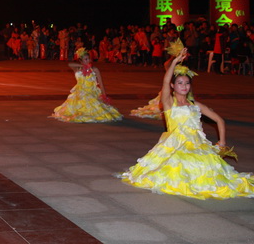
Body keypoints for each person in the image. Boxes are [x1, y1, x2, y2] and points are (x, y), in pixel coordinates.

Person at [118, 49, 254, 199]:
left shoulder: (196, 104)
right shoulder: (170, 103)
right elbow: (164, 81)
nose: (184, 86)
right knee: (179, 168)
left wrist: (222, 141)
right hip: (176, 144)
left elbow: (219, 120)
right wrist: (175, 62)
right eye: (180, 83)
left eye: (187, 83)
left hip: (198, 144)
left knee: (209, 170)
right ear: (172, 85)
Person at [51, 47, 122, 123]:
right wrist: (82, 66)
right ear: (81, 61)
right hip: (80, 92)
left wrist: (104, 96)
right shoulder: (78, 69)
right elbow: (70, 64)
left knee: (94, 106)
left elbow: (101, 83)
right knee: (76, 107)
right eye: (85, 59)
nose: (88, 60)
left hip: (91, 92)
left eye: (88, 59)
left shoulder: (94, 69)